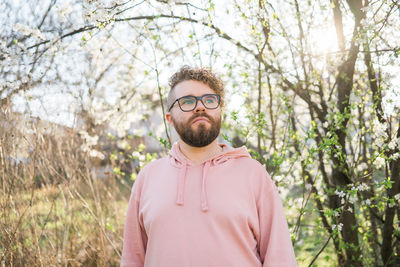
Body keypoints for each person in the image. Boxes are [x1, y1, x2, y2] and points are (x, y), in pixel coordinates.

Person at [121, 66, 297, 267]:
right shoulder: (148, 177)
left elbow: (280, 257)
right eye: (187, 101)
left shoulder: (253, 174)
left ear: (220, 111)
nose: (200, 107)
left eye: (209, 100)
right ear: (169, 119)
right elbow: (132, 259)